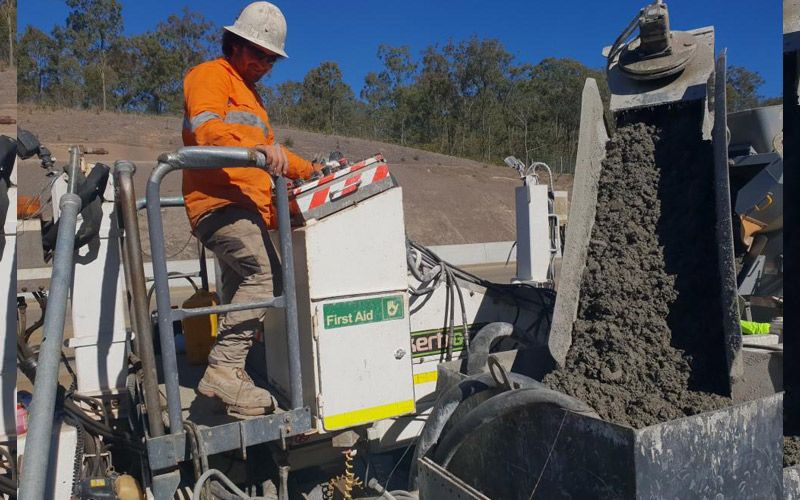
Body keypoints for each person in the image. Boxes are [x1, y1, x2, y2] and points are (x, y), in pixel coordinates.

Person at [182, 1, 320, 415]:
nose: (264, 63)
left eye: (271, 58)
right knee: (266, 277)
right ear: (236, 43)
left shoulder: (252, 98)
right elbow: (207, 132)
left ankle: (234, 377)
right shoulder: (209, 76)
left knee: (240, 289)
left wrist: (311, 171)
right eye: (258, 53)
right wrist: (257, 149)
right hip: (221, 204)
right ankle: (223, 371)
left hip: (248, 208)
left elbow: (271, 156)